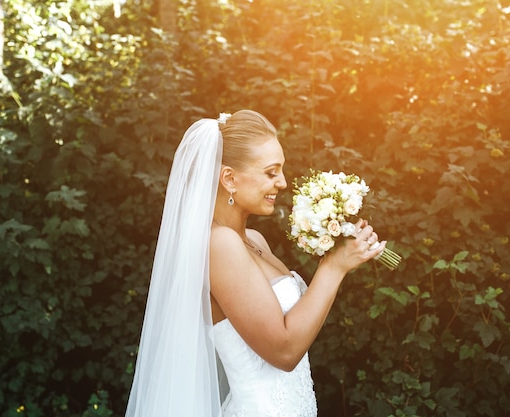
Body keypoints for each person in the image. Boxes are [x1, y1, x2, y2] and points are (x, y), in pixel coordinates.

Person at [124, 110, 386, 417]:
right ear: (230, 179)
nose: (284, 183)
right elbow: (284, 351)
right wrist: (334, 266)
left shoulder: (254, 240)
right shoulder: (218, 244)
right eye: (271, 172)